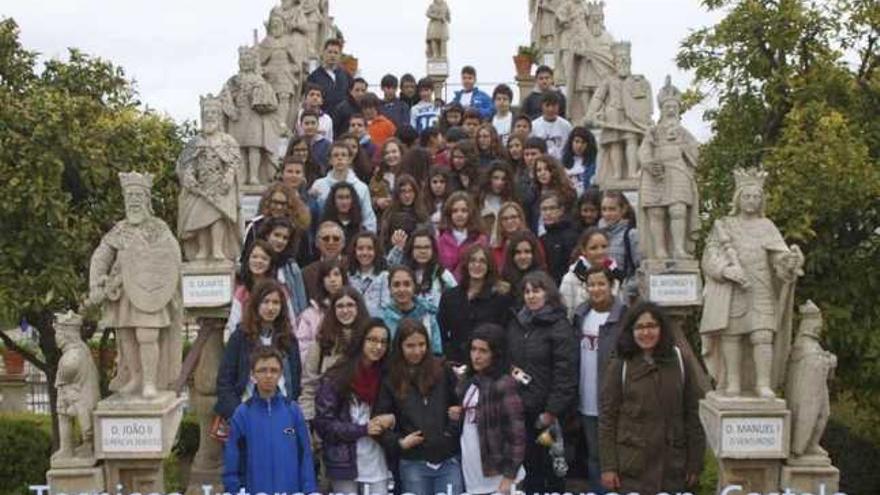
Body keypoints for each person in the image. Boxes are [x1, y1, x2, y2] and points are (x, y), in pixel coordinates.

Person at [599, 302, 705, 494]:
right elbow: (608, 419)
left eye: (651, 326)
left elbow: (693, 415)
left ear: (661, 329)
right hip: (632, 467)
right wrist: (609, 467)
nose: (646, 333)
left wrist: (695, 463)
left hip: (672, 466)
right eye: (639, 327)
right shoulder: (620, 365)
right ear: (630, 331)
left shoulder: (679, 361)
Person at [506, 271, 578, 495]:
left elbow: (565, 374)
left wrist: (552, 411)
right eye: (527, 292)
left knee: (553, 471)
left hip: (547, 415)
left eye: (536, 291)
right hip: (521, 409)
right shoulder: (518, 322)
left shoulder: (559, 325)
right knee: (529, 471)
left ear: (548, 293)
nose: (531, 296)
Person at [373, 319, 463, 495]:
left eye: (422, 344)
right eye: (410, 346)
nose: (417, 351)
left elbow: (459, 406)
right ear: (400, 347)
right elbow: (378, 422)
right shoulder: (391, 379)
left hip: (447, 460)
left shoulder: (443, 370)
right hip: (413, 463)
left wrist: (450, 431)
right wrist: (399, 443)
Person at [314, 320, 396, 495]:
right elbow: (323, 425)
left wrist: (393, 419)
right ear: (361, 341)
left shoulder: (388, 377)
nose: (378, 346)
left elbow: (402, 411)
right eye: (372, 340)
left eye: (383, 341)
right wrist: (362, 430)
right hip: (344, 463)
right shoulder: (335, 377)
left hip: (378, 461)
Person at [223, 346, 316, 495]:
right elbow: (232, 457)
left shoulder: (293, 411)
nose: (268, 375)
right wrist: (234, 489)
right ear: (253, 374)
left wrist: (309, 489)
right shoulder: (242, 414)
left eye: (274, 370)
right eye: (262, 370)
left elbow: (305, 455)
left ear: (281, 374)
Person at [571, 266, 627, 493]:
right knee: (595, 455)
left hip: (615, 400)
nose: (596, 289)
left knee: (618, 455)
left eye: (601, 284)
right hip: (587, 400)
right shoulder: (580, 315)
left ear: (611, 285)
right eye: (591, 284)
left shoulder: (624, 315)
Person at [216, 279, 302, 423]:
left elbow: (296, 380)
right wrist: (238, 415)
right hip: (248, 415)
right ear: (256, 304)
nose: (270, 308)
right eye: (265, 301)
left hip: (282, 414)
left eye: (276, 303)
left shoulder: (289, 340)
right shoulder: (240, 337)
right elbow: (225, 381)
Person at [455, 323, 526, 495]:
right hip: (473, 477)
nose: (476, 356)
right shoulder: (470, 381)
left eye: (483, 351)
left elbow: (517, 435)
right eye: (473, 349)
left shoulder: (504, 384)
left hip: (499, 479)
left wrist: (509, 477)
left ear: (495, 353)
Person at [300, 287, 370, 422]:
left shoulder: (369, 342)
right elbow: (309, 385)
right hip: (328, 422)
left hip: (364, 422)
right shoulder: (322, 343)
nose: (345, 311)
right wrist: (308, 420)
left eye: (350, 305)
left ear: (359, 308)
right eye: (340, 306)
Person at [438, 244, 513, 365]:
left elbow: (504, 334)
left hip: (489, 365)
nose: (477, 265)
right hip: (456, 362)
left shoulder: (500, 299)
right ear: (466, 264)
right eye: (472, 260)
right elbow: (442, 333)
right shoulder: (449, 297)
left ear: (489, 266)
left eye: (482, 261)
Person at [309, 141, 378, 232]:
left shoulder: (361, 187)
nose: (340, 158)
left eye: (344, 155)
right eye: (336, 155)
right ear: (330, 160)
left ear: (350, 159)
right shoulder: (319, 185)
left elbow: (368, 218)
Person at [227, 240, 287, 340]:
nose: (259, 261)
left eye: (264, 258)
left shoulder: (281, 290)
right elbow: (233, 325)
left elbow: (290, 322)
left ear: (270, 263)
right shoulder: (241, 292)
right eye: (254, 257)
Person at [241, 183, 311, 267]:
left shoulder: (299, 229)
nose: (279, 207)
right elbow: (245, 258)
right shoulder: (254, 227)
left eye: (283, 204)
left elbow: (306, 261)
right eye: (275, 202)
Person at [389, 227, 458, 309]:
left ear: (433, 250)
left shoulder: (443, 275)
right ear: (411, 249)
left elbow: (456, 300)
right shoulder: (403, 274)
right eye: (418, 247)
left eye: (426, 247)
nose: (422, 251)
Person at [381, 266, 443, 354]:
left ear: (414, 287)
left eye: (407, 284)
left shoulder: (428, 316)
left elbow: (437, 352)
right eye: (396, 285)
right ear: (389, 289)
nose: (402, 289)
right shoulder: (383, 319)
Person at [559, 228, 619, 319]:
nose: (600, 252)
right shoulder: (571, 279)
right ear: (583, 250)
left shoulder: (616, 275)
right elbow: (565, 315)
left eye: (604, 246)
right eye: (593, 248)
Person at [297, 259, 348, 362]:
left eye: (336, 274)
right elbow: (302, 348)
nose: (332, 280)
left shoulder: (354, 309)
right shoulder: (309, 315)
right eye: (327, 276)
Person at [258, 217, 309, 316]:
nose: (280, 241)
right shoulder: (256, 261)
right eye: (277, 235)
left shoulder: (292, 267)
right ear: (267, 235)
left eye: (285, 238)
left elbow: (301, 302)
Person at [436, 191, 489, 279]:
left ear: (471, 213)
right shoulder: (441, 240)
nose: (459, 215)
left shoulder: (481, 239)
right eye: (455, 211)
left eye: (464, 211)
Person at [599, 191, 640, 301]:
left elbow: (641, 270)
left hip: (622, 299)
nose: (607, 214)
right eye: (604, 209)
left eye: (612, 209)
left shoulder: (631, 235)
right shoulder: (598, 234)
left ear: (623, 210)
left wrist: (626, 289)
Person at [539, 193, 580, 285]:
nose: (548, 213)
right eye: (544, 209)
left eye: (552, 208)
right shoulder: (541, 238)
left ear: (561, 210)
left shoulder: (572, 236)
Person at [307, 38, 353, 119]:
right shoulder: (314, 77)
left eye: (336, 53)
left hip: (343, 121)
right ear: (323, 53)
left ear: (340, 55)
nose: (332, 55)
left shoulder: (346, 75)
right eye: (330, 52)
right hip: (323, 119)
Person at [348, 232, 391, 317]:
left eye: (370, 248)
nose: (364, 253)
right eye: (360, 248)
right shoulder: (348, 276)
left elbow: (386, 307)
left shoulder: (384, 276)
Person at [380, 174, 429, 250]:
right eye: (403, 191)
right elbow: (383, 242)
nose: (407, 195)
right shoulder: (389, 215)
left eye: (410, 191)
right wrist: (392, 243)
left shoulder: (422, 214)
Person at [301, 221, 347, 300]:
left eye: (336, 239)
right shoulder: (306, 273)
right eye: (326, 239)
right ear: (316, 243)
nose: (331, 242)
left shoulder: (353, 265)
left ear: (343, 243)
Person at [532, 154, 577, 231]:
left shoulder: (567, 193)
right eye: (538, 170)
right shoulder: (534, 193)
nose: (542, 173)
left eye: (546, 169)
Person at [500, 230, 548, 301]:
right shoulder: (503, 284)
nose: (523, 257)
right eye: (518, 252)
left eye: (527, 251)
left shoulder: (545, 283)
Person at [479, 162, 516, 244]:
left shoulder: (512, 202)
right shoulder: (478, 201)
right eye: (495, 178)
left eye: (503, 179)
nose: (499, 183)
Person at [369, 138, 407, 215]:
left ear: (401, 153)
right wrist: (377, 202)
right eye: (387, 153)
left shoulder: (409, 174)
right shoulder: (378, 176)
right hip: (382, 218)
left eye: (394, 152)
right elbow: (368, 197)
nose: (390, 155)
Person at [531, 91, 573, 160]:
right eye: (547, 105)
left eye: (553, 105)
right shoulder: (534, 125)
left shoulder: (566, 126)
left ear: (558, 106)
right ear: (542, 106)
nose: (550, 109)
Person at [490, 202, 532, 269]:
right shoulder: (495, 247)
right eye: (505, 219)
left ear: (520, 219)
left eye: (513, 217)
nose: (509, 221)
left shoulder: (532, 241)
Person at [561, 126, 598, 196]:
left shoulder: (593, 164)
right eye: (577, 141)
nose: (579, 145)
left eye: (583, 142)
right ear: (571, 142)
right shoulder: (562, 162)